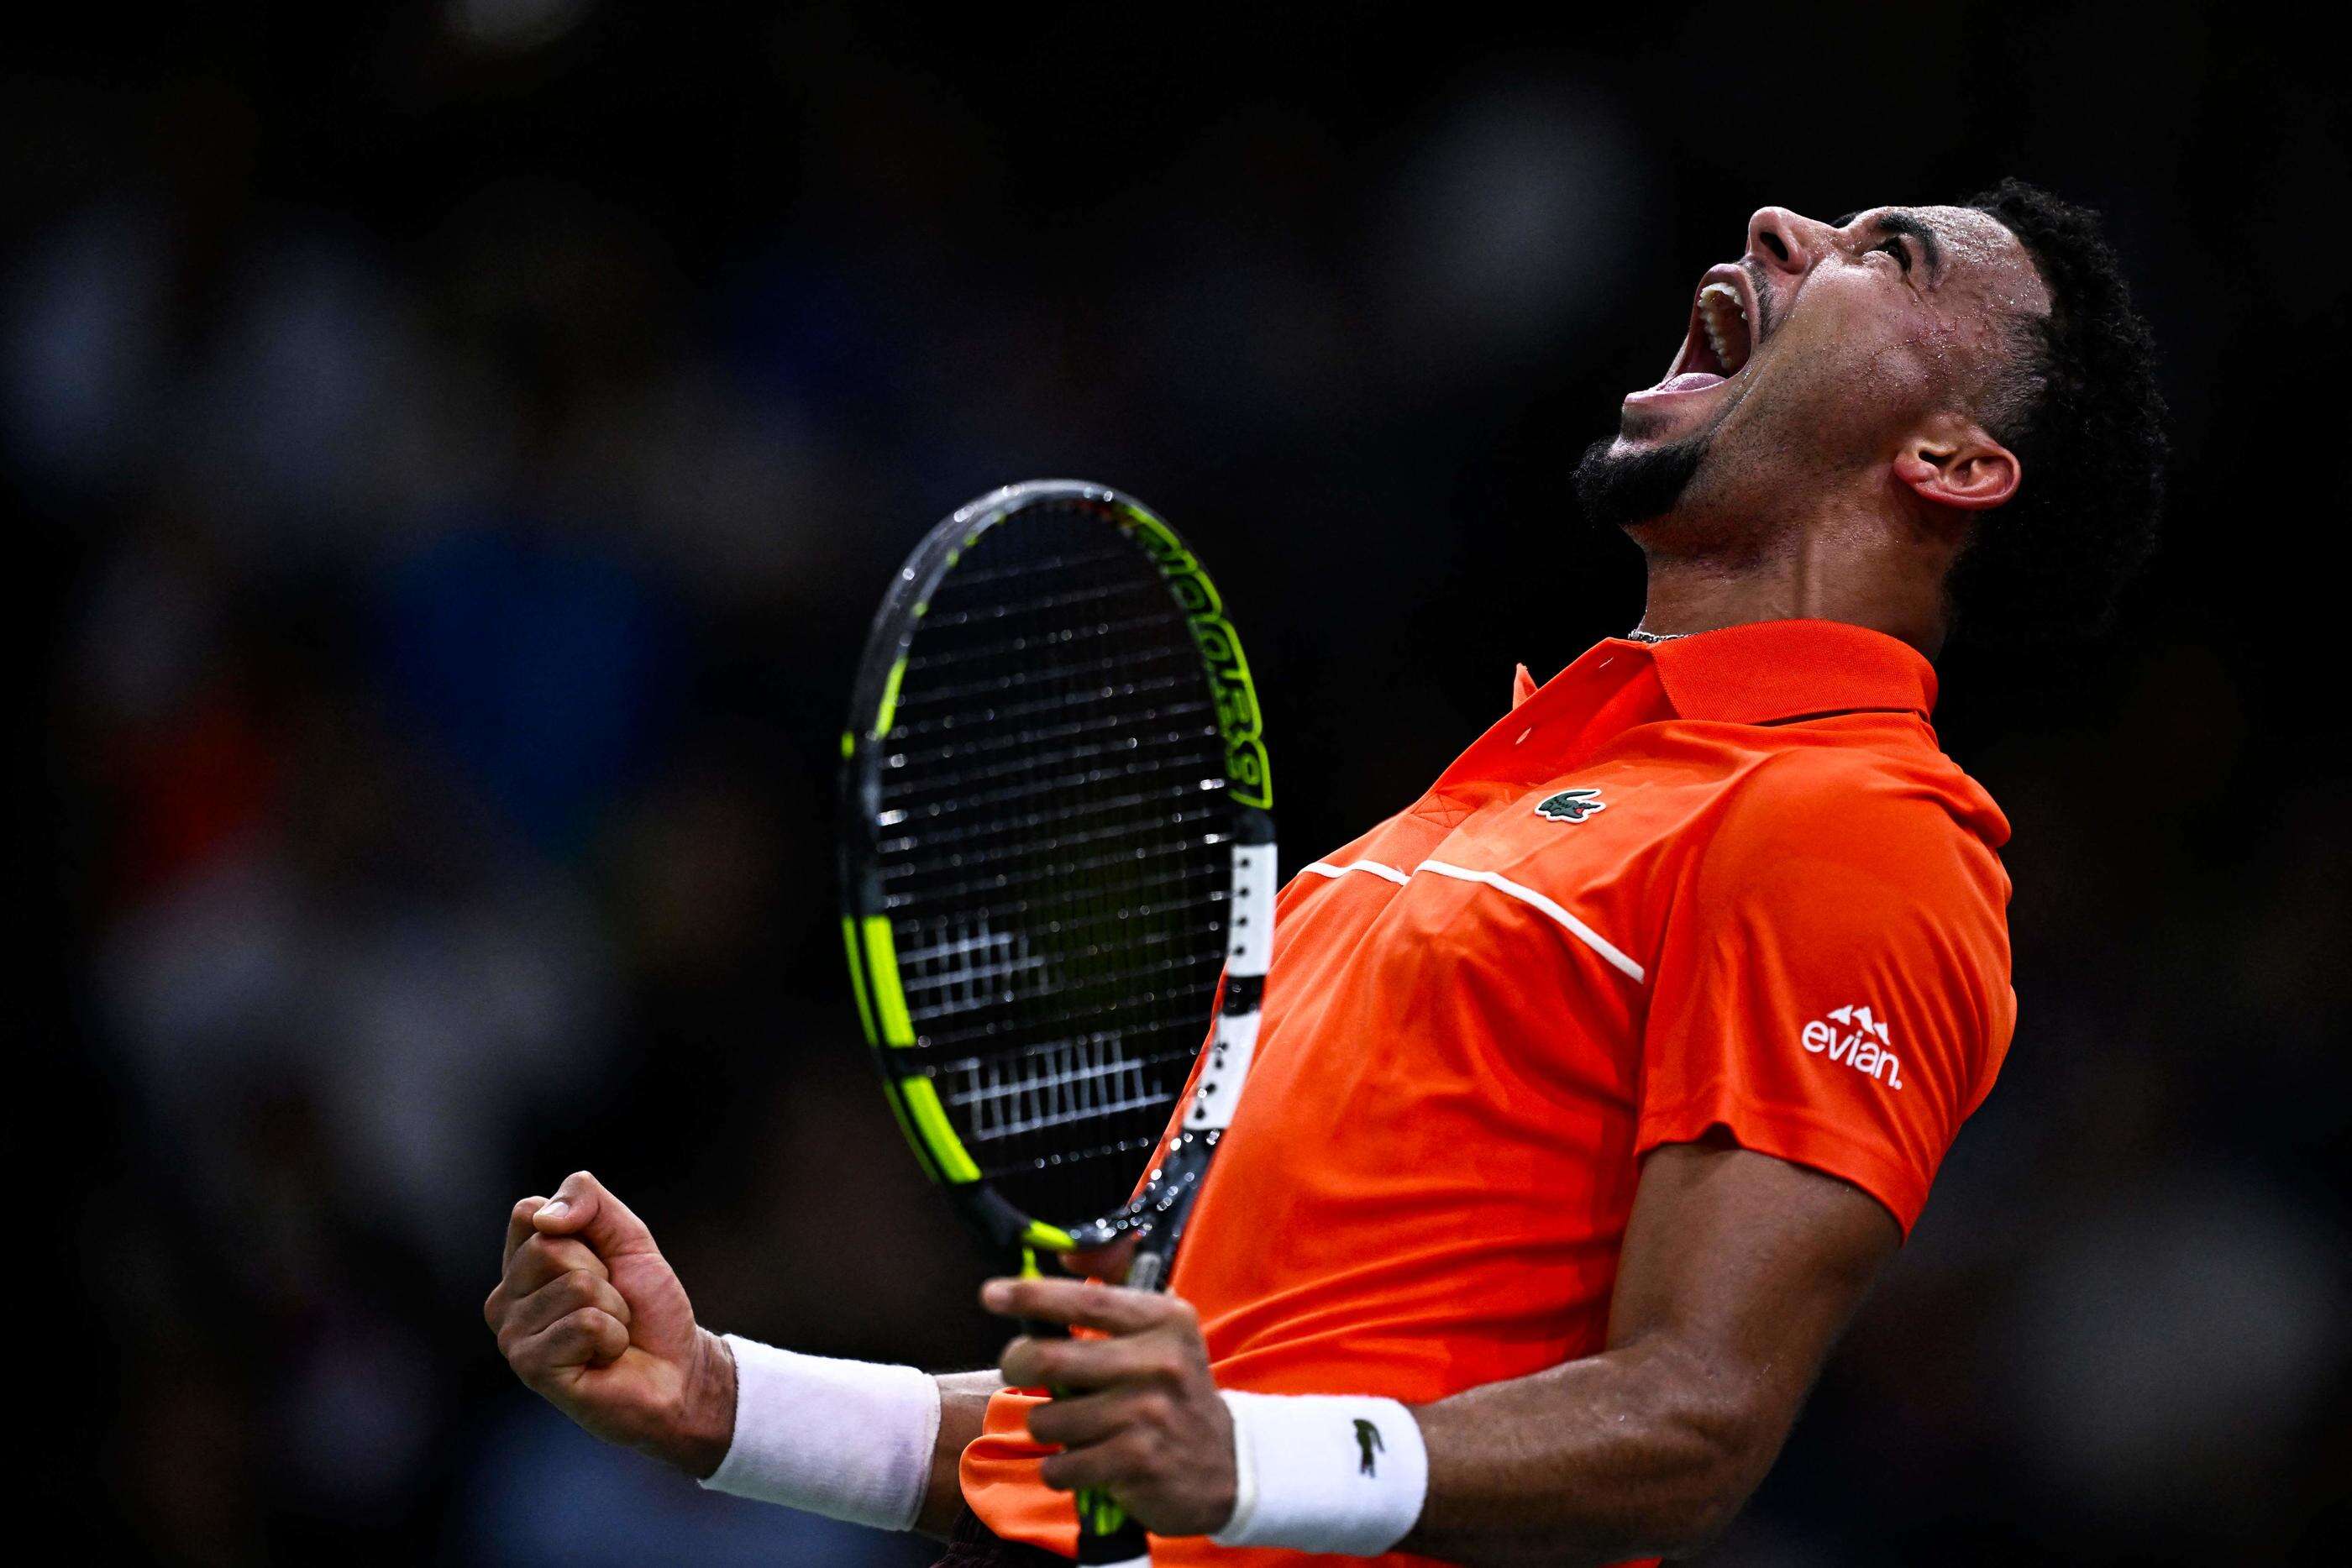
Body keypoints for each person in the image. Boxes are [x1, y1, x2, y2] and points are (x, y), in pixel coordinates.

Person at [483, 180, 2165, 1567]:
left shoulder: (1848, 825)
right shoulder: (1498, 798)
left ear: (1951, 462)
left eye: (1889, 253)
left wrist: (1243, 1458)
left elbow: (1693, 1416)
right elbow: (1130, 1441)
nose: (1784, 223)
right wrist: (722, 1400)